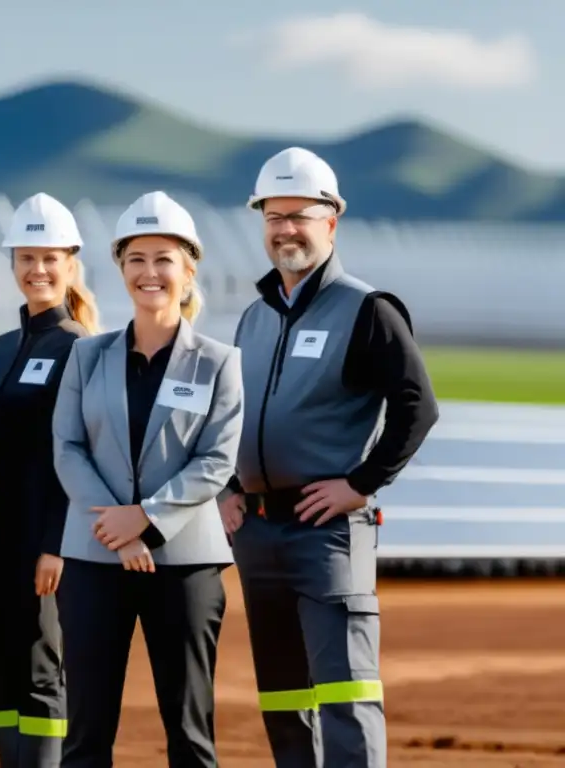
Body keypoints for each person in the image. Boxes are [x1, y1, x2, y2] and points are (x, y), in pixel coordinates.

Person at [219, 147, 440, 768]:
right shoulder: (253, 318)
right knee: (284, 697)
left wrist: (361, 484)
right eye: (273, 216)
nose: (285, 228)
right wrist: (228, 489)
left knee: (346, 692)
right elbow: (231, 415)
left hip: (327, 533)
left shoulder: (367, 309)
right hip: (258, 533)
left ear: (332, 221)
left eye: (299, 216)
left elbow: (416, 407)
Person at [51, 190, 245, 767]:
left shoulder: (218, 361)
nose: (149, 272)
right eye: (136, 258)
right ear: (121, 269)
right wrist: (118, 528)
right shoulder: (87, 357)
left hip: (184, 564)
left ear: (188, 271)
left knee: (190, 732)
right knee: (85, 732)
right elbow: (66, 446)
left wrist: (148, 521)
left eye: (164, 259)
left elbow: (216, 460)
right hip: (92, 558)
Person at [0, 192, 101, 767]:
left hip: (44, 546)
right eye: (26, 258)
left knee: (41, 671)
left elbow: (79, 456)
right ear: (13, 265)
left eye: (50, 258)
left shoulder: (80, 347)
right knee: (0, 669)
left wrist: (56, 544)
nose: (38, 270)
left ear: (70, 263)